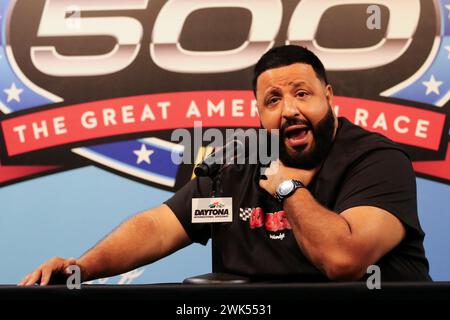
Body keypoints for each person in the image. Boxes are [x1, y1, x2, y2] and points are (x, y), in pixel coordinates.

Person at [19, 45, 430, 286]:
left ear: (329, 96)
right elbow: (160, 227)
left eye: (302, 94)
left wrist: (287, 188)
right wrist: (80, 267)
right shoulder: (236, 170)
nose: (288, 110)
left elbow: (345, 260)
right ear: (258, 113)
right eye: (273, 101)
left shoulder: (377, 161)